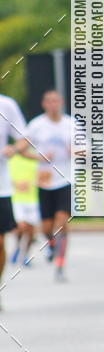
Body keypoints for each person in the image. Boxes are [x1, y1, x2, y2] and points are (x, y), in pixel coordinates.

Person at [17, 91, 72, 281]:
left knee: (61, 222)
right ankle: (51, 243)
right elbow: (20, 149)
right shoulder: (37, 125)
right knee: (47, 228)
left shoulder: (70, 125)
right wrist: (37, 157)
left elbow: (86, 149)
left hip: (65, 180)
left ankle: (60, 264)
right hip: (44, 181)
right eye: (48, 101)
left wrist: (76, 151)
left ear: (61, 102)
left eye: (55, 100)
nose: (52, 104)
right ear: (43, 104)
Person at [0, 93, 27, 305]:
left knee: (0, 242)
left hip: (1, 186)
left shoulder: (6, 105)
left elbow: (23, 139)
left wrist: (14, 148)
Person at [8, 152, 39, 267]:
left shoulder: (35, 156)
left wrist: (32, 183)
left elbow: (43, 175)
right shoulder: (11, 157)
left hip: (33, 199)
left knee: (31, 231)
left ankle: (26, 254)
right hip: (17, 199)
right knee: (21, 226)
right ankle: (17, 246)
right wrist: (16, 184)